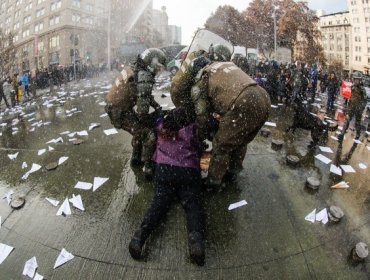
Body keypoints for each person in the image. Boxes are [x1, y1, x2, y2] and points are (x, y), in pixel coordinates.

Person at [129, 107, 205, 266]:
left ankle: (140, 237)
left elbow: (154, 124)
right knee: (192, 205)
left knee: (159, 204)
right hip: (188, 172)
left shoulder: (160, 128)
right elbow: (198, 149)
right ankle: (196, 241)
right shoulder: (191, 130)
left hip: (164, 171)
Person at [190, 61, 271, 190]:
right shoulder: (221, 66)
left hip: (246, 100)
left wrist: (199, 136)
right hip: (263, 96)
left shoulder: (202, 79)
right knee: (240, 139)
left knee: (221, 144)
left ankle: (213, 182)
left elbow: (202, 116)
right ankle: (234, 171)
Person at [105, 48, 166, 176]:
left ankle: (136, 158)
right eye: (158, 66)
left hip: (117, 108)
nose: (158, 71)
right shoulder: (144, 75)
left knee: (138, 130)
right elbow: (143, 111)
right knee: (148, 133)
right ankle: (148, 166)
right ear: (153, 63)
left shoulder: (134, 68)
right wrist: (151, 121)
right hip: (120, 111)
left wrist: (156, 106)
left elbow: (143, 95)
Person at [339, 71, 367, 140]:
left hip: (358, 108)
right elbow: (348, 97)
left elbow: (365, 100)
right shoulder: (352, 87)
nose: (355, 81)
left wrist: (361, 108)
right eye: (354, 79)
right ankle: (342, 133)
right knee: (347, 120)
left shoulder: (362, 89)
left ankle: (358, 134)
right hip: (351, 107)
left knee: (357, 122)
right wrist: (346, 105)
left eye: (357, 79)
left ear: (360, 80)